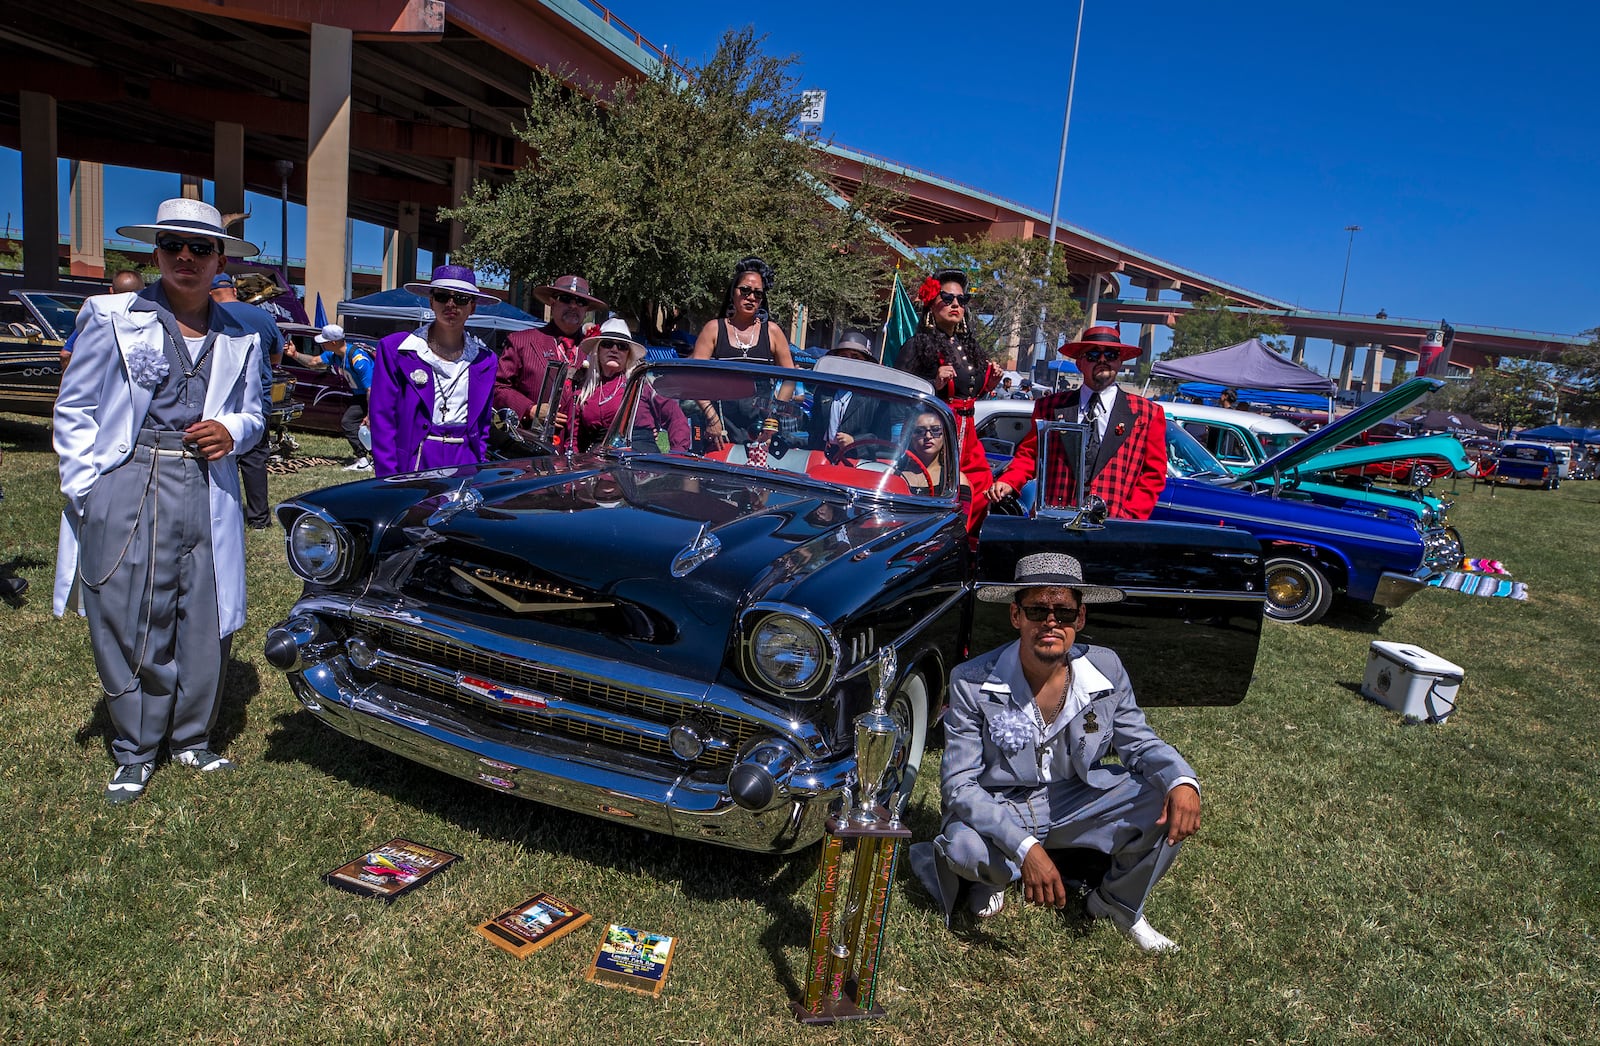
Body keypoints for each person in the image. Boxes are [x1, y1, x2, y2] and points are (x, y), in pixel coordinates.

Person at [53, 198, 265, 804]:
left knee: (206, 610)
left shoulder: (242, 336)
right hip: (133, 475)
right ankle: (137, 746)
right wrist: (87, 488)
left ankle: (192, 737)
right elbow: (76, 407)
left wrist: (235, 431)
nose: (186, 258)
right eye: (174, 245)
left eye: (200, 248)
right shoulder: (113, 316)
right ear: (156, 253)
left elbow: (253, 412)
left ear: (219, 260)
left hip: (206, 483)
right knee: (130, 610)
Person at [909, 553, 1200, 952]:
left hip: (1073, 799)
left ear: (1080, 619)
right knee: (964, 849)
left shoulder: (1106, 668)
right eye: (1037, 610)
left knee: (1165, 798)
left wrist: (1181, 779)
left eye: (1063, 612)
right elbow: (959, 786)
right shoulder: (970, 681)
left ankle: (1116, 901)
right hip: (1002, 805)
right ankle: (993, 877)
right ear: (1016, 616)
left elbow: (1140, 742)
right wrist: (1026, 848)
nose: (1051, 622)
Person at [988, 325, 1166, 519]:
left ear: (1120, 362)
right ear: (1080, 363)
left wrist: (1130, 516)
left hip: (1115, 526)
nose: (1102, 360)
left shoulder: (1147, 413)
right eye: (1092, 355)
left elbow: (1153, 475)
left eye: (1111, 354)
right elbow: (1030, 455)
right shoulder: (1050, 407)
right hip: (1054, 521)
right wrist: (1010, 481)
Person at [369, 265, 499, 477]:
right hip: (416, 457)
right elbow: (382, 419)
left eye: (461, 298)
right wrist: (387, 478)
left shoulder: (485, 360)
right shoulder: (397, 350)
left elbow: (483, 424)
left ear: (472, 307)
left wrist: (479, 461)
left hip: (466, 459)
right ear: (431, 301)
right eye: (442, 296)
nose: (451, 304)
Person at [895, 268, 998, 532]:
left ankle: (968, 546)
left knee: (982, 487)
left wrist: (990, 383)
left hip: (968, 432)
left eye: (961, 300)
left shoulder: (969, 346)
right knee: (943, 492)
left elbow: (970, 391)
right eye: (948, 298)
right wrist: (933, 383)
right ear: (931, 302)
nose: (955, 304)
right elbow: (898, 393)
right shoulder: (916, 345)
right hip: (936, 432)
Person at [691, 256, 796, 447]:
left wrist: (773, 418)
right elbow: (695, 377)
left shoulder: (772, 332)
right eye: (745, 290)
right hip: (721, 426)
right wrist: (712, 417)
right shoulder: (714, 329)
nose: (751, 297)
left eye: (758, 294)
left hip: (760, 427)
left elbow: (790, 377)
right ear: (733, 293)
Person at [494, 275, 606, 444]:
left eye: (580, 302)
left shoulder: (596, 350)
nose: (573, 306)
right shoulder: (521, 341)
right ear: (552, 304)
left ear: (586, 310)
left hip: (579, 453)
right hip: (529, 447)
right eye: (566, 299)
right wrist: (530, 409)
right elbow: (498, 387)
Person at [210, 272, 283, 528]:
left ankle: (216, 515)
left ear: (211, 292)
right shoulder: (263, 315)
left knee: (214, 457)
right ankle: (259, 518)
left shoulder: (205, 314)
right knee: (254, 461)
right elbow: (276, 358)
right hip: (256, 399)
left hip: (214, 401)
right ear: (232, 289)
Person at [571, 317, 690, 453]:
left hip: (641, 461)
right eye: (608, 344)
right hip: (599, 464)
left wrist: (676, 458)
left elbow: (676, 419)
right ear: (598, 350)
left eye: (622, 346)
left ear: (628, 354)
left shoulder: (643, 385)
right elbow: (574, 439)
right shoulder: (584, 391)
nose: (614, 350)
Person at [286, 323, 373, 470]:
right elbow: (313, 362)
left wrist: (370, 415)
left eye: (324, 342)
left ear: (333, 342)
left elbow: (371, 389)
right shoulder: (335, 355)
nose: (322, 345)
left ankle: (364, 460)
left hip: (374, 396)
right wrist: (294, 354)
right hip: (360, 395)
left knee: (349, 422)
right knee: (354, 424)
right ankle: (368, 458)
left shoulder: (358, 360)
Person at [812, 330, 886, 448]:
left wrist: (855, 441)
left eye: (855, 357)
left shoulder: (875, 396)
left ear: (865, 362)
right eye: (844, 356)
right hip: (822, 458)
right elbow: (813, 429)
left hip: (857, 461)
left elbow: (882, 438)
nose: (849, 361)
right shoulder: (824, 390)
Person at [898, 408, 957, 495]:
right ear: (911, 437)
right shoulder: (895, 473)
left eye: (936, 430)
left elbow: (962, 508)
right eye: (920, 431)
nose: (928, 436)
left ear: (945, 436)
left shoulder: (954, 480)